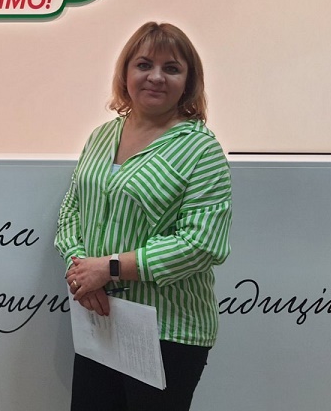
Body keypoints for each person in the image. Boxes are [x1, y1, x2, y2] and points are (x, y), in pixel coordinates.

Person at [54, 21, 232, 411]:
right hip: (99, 317)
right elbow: (73, 208)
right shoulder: (102, 136)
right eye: (144, 64)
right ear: (125, 73)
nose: (156, 77)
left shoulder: (201, 150)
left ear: (188, 82)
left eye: (172, 68)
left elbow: (201, 245)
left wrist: (109, 268)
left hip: (170, 329)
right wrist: (81, 270)